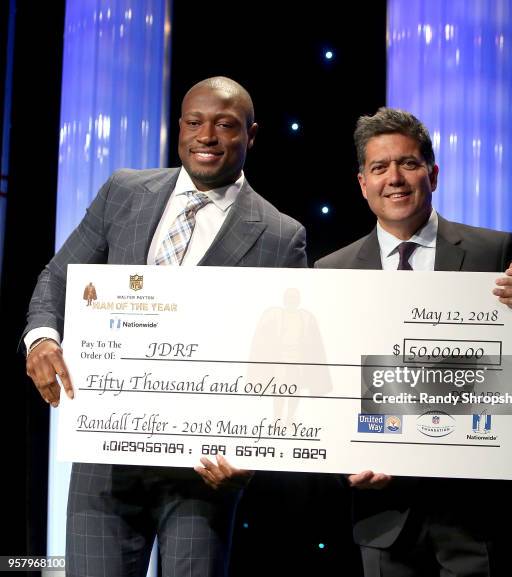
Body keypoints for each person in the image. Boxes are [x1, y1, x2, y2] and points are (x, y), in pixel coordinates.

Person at [23, 76, 307, 577]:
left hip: (202, 471)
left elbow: (286, 361)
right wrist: (42, 338)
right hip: (105, 461)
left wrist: (254, 454)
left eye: (225, 125)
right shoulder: (123, 191)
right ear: (179, 127)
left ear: (252, 135)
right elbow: (58, 277)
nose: (207, 136)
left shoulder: (281, 235)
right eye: (194, 122)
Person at [315, 107, 512, 577]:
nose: (395, 178)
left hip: (476, 511)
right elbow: (323, 386)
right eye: (379, 167)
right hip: (383, 513)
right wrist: (344, 460)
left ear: (433, 173)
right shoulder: (332, 272)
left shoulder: (493, 250)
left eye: (408, 163)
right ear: (362, 183)